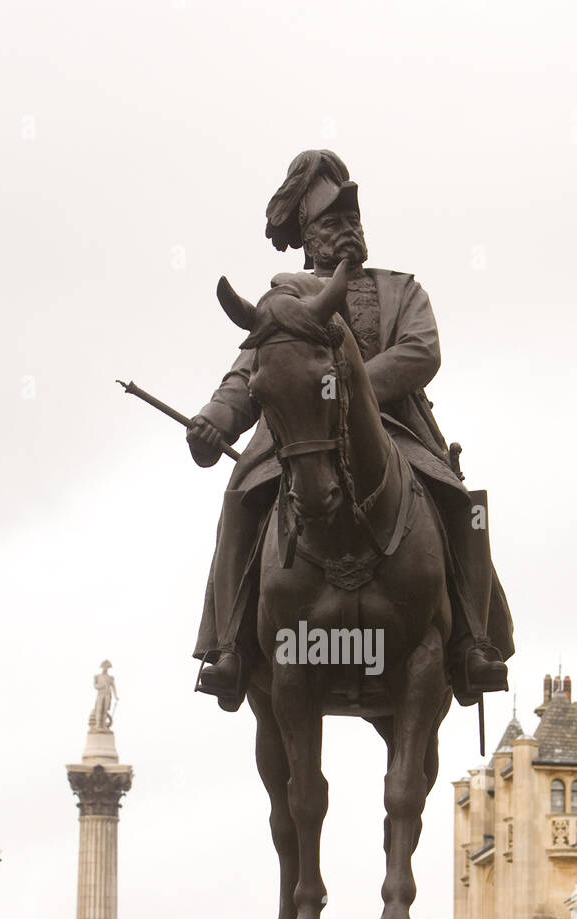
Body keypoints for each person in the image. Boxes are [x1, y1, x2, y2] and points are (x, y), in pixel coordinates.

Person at [189, 150, 513, 711]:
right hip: (299, 434)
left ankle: (475, 643)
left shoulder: (401, 290)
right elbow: (250, 373)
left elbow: (420, 352)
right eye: (332, 224)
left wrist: (353, 387)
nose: (346, 233)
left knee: (462, 503)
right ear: (309, 237)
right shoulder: (283, 299)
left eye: (351, 222)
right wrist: (217, 417)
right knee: (240, 502)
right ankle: (229, 646)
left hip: (395, 429)